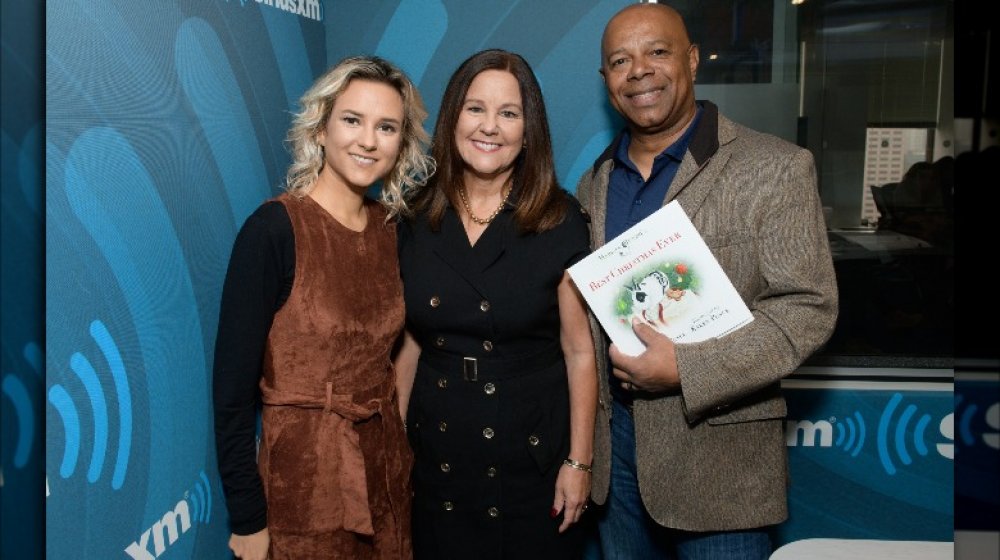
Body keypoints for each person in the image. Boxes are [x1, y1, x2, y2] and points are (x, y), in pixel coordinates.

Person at [574, 4, 839, 559]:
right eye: (621, 61)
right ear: (606, 81)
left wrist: (687, 369)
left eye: (658, 52)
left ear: (692, 60)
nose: (639, 70)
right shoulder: (592, 185)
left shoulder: (775, 168)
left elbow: (808, 308)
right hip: (616, 462)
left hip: (721, 467)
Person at [213, 55, 433, 560]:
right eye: (352, 120)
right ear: (322, 127)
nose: (368, 140)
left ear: (401, 144)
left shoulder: (391, 232)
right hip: (300, 483)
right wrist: (247, 517)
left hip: (384, 477)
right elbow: (230, 394)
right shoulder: (273, 230)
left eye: (387, 127)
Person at [394, 49, 598, 559]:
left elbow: (578, 352)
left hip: (528, 459)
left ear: (529, 131)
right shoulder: (415, 215)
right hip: (437, 454)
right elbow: (412, 344)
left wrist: (579, 462)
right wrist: (392, 448)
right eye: (475, 109)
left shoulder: (560, 220)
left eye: (509, 113)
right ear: (452, 118)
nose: (490, 127)